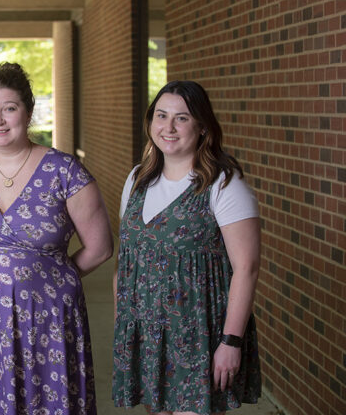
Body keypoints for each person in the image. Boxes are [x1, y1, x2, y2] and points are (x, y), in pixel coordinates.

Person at [0, 62, 113, 414]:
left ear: (27, 113)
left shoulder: (65, 172)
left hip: (45, 316)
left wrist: (50, 277)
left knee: (43, 400)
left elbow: (100, 247)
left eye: (9, 109)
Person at [111, 80, 262, 415]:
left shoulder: (222, 183)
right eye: (161, 116)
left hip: (198, 337)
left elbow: (247, 268)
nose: (168, 127)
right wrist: (126, 322)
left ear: (202, 126)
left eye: (181, 118)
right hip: (148, 336)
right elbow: (128, 258)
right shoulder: (137, 180)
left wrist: (231, 342)